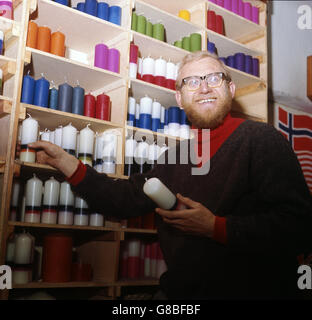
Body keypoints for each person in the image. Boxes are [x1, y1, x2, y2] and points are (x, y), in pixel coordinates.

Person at [29, 51, 312, 299]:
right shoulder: (174, 157)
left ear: (230, 88)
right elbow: (124, 199)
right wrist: (68, 164)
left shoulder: (261, 140)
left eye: (213, 78)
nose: (203, 88)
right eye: (191, 81)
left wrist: (216, 227)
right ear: (179, 97)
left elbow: (301, 228)